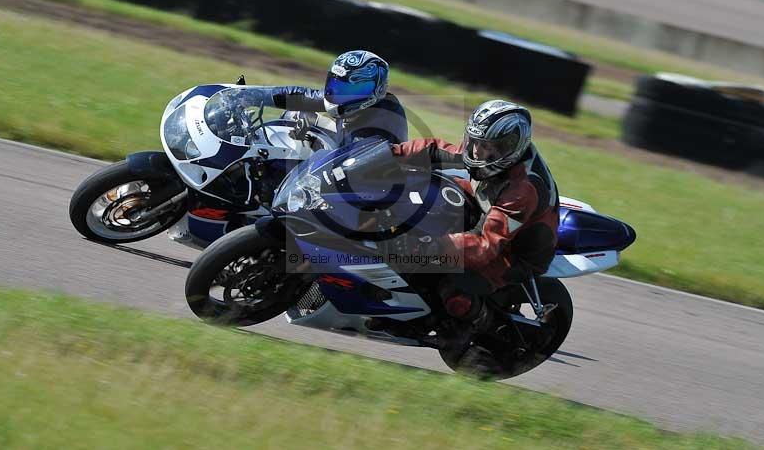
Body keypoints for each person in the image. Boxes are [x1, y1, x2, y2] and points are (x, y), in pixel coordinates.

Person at [389, 100, 559, 333]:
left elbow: (485, 246)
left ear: (508, 147)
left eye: (486, 146)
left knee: (455, 291)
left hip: (514, 251)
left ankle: (481, 326)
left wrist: (433, 246)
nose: (476, 151)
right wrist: (388, 154)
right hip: (486, 208)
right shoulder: (483, 154)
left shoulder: (523, 190)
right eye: (474, 141)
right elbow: (433, 150)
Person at [235, 50, 408, 145]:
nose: (338, 94)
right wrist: (251, 95)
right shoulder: (347, 103)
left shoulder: (383, 124)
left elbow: (351, 165)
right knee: (295, 115)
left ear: (376, 92)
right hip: (344, 148)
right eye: (337, 85)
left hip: (362, 179)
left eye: (353, 89)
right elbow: (301, 96)